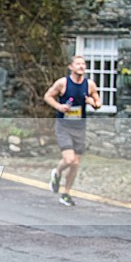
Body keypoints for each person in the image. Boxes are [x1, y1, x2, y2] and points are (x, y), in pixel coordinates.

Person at [44, 55, 102, 206]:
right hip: (64, 126)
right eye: (78, 64)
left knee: (75, 164)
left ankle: (66, 193)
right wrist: (59, 107)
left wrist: (93, 103)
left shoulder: (89, 84)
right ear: (71, 67)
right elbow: (48, 96)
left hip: (79, 127)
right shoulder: (63, 83)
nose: (81, 66)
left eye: (83, 64)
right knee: (69, 159)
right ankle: (56, 172)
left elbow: (98, 102)